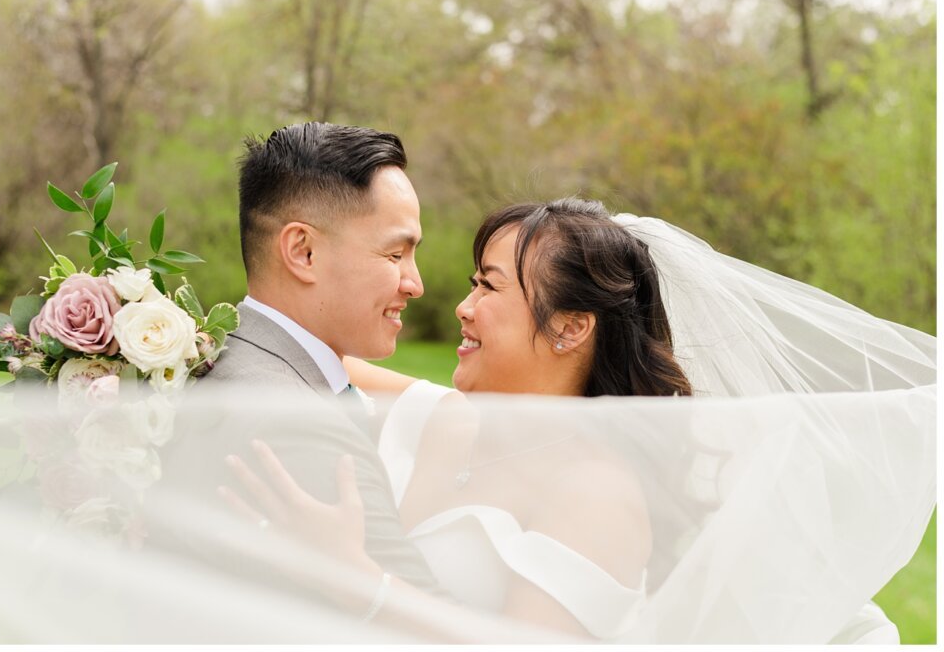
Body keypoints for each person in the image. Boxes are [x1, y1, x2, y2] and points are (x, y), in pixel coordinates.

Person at [222, 197, 935, 641]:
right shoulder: (441, 415)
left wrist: (356, 578)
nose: (462, 308)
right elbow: (292, 355)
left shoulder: (597, 492)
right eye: (473, 282)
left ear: (569, 329)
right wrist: (136, 330)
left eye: (488, 287)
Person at [146, 122, 443, 606]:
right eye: (395, 253)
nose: (415, 284)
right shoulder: (298, 421)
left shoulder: (219, 360)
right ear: (303, 251)